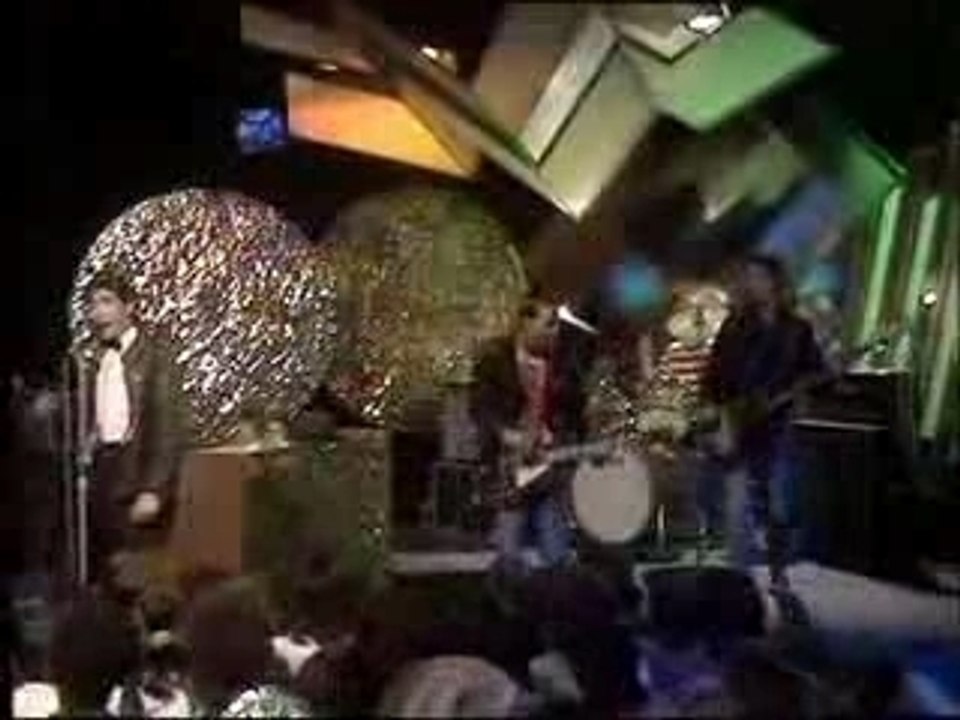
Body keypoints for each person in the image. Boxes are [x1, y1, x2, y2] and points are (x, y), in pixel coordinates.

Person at [701, 255, 825, 585]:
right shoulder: (735, 326)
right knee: (736, 505)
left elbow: (815, 371)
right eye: (750, 277)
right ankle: (739, 580)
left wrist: (804, 391)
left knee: (778, 505)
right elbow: (712, 379)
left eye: (760, 277)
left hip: (778, 428)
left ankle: (778, 571)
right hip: (738, 423)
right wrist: (721, 419)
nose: (753, 283)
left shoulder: (798, 329)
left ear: (776, 283)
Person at [81, 268, 185, 590]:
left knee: (140, 575)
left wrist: (154, 489)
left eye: (106, 302)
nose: (97, 313)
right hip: (104, 471)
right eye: (92, 305)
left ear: (129, 306)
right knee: (108, 571)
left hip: (137, 471)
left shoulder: (155, 356)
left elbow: (168, 427)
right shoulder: (94, 359)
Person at [470, 297, 588, 576]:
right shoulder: (495, 360)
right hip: (508, 468)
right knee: (509, 558)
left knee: (558, 556)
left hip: (550, 467)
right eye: (549, 324)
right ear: (525, 322)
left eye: (557, 325)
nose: (555, 331)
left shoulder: (563, 364)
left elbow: (576, 410)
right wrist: (507, 434)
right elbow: (481, 408)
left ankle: (558, 597)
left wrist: (565, 438)